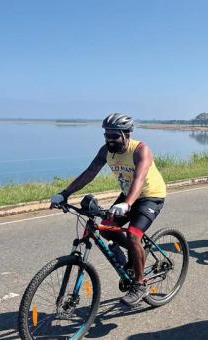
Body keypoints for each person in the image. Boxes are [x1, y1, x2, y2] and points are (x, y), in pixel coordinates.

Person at [50, 113, 167, 307]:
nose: (110, 140)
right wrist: (65, 193)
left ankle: (139, 284)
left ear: (126, 134)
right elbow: (89, 173)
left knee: (133, 236)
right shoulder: (106, 150)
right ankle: (135, 256)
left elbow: (138, 179)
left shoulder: (140, 150)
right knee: (105, 228)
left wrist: (127, 203)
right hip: (128, 195)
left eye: (115, 136)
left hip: (149, 195)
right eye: (107, 135)